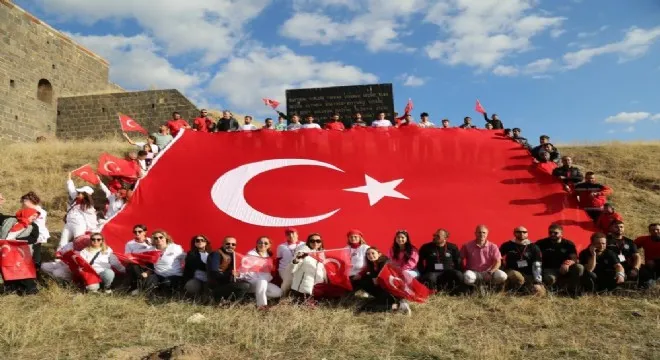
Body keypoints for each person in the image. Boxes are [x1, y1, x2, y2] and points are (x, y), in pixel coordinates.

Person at [353, 247, 411, 315]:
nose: (370, 255)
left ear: (379, 254)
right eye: (368, 254)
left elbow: (378, 281)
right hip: (382, 290)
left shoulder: (384, 263)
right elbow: (366, 271)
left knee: (368, 307)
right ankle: (398, 305)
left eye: (373, 253)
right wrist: (359, 275)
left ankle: (398, 307)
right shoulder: (372, 264)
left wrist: (372, 277)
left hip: (390, 292)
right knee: (364, 281)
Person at [0, 203, 40, 295]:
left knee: (23, 270)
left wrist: (16, 241)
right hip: (6, 250)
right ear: (26, 213)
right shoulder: (10, 221)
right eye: (33, 215)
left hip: (22, 251)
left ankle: (30, 290)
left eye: (36, 216)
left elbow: (33, 238)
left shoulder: (33, 226)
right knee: (7, 269)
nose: (34, 218)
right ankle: (11, 289)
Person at [535, 224, 583, 294]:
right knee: (550, 278)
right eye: (550, 232)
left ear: (561, 234)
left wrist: (567, 264)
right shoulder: (541, 243)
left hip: (565, 269)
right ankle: (552, 292)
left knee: (579, 267)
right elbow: (532, 253)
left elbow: (575, 259)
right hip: (549, 269)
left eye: (555, 233)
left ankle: (574, 291)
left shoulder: (568, 244)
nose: (552, 234)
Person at [137, 230, 185, 295]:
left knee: (166, 283)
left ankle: (168, 294)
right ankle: (144, 293)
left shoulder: (175, 247)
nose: (158, 239)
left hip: (174, 275)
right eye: (156, 238)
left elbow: (185, 258)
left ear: (166, 238)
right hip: (158, 274)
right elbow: (139, 256)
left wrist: (185, 272)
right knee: (150, 281)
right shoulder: (151, 250)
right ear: (153, 240)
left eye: (161, 237)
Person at [499, 226, 544, 295]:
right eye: (518, 232)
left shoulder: (533, 247)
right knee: (518, 278)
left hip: (528, 273)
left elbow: (537, 264)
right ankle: (509, 292)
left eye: (524, 232)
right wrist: (501, 269)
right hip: (511, 271)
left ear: (527, 234)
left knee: (540, 292)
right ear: (514, 233)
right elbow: (498, 257)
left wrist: (538, 281)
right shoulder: (507, 245)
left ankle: (519, 292)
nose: (521, 234)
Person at [282, 233, 327, 302]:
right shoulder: (303, 251)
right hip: (303, 288)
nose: (315, 243)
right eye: (312, 241)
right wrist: (297, 259)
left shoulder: (321, 253)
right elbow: (293, 268)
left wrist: (325, 279)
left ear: (321, 242)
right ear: (308, 242)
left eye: (318, 241)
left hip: (317, 287)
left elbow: (322, 268)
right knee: (305, 307)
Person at [240, 236, 282, 309]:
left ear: (269, 245)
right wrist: (239, 275)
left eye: (266, 243)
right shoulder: (249, 255)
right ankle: (262, 306)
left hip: (263, 283)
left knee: (278, 292)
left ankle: (253, 299)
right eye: (260, 243)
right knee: (262, 281)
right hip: (251, 282)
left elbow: (269, 274)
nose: (263, 245)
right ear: (256, 244)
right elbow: (242, 270)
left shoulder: (269, 258)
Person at [59, 173, 98, 249]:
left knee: (78, 242)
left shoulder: (88, 207)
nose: (78, 193)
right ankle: (60, 257)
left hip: (79, 225)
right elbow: (71, 189)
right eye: (78, 192)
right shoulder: (75, 199)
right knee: (62, 242)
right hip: (69, 223)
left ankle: (80, 257)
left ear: (85, 195)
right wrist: (69, 178)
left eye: (80, 193)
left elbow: (92, 219)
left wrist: (92, 230)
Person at [207, 236, 251, 302]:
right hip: (217, 286)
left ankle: (230, 302)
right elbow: (214, 274)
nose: (230, 246)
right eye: (228, 243)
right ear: (222, 244)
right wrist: (230, 273)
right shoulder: (216, 254)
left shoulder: (235, 256)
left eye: (233, 244)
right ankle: (232, 304)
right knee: (245, 285)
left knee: (248, 283)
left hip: (230, 284)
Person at [20, 191, 49, 266]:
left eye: (24, 202)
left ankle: (34, 266)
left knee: (33, 250)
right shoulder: (42, 210)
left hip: (36, 234)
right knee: (36, 250)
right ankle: (36, 266)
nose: (23, 204)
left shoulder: (33, 211)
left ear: (29, 201)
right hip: (41, 233)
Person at [635, 223, 660, 288]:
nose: (655, 231)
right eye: (653, 230)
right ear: (649, 231)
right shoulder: (644, 239)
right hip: (649, 267)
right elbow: (631, 247)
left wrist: (655, 260)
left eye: (658, 229)